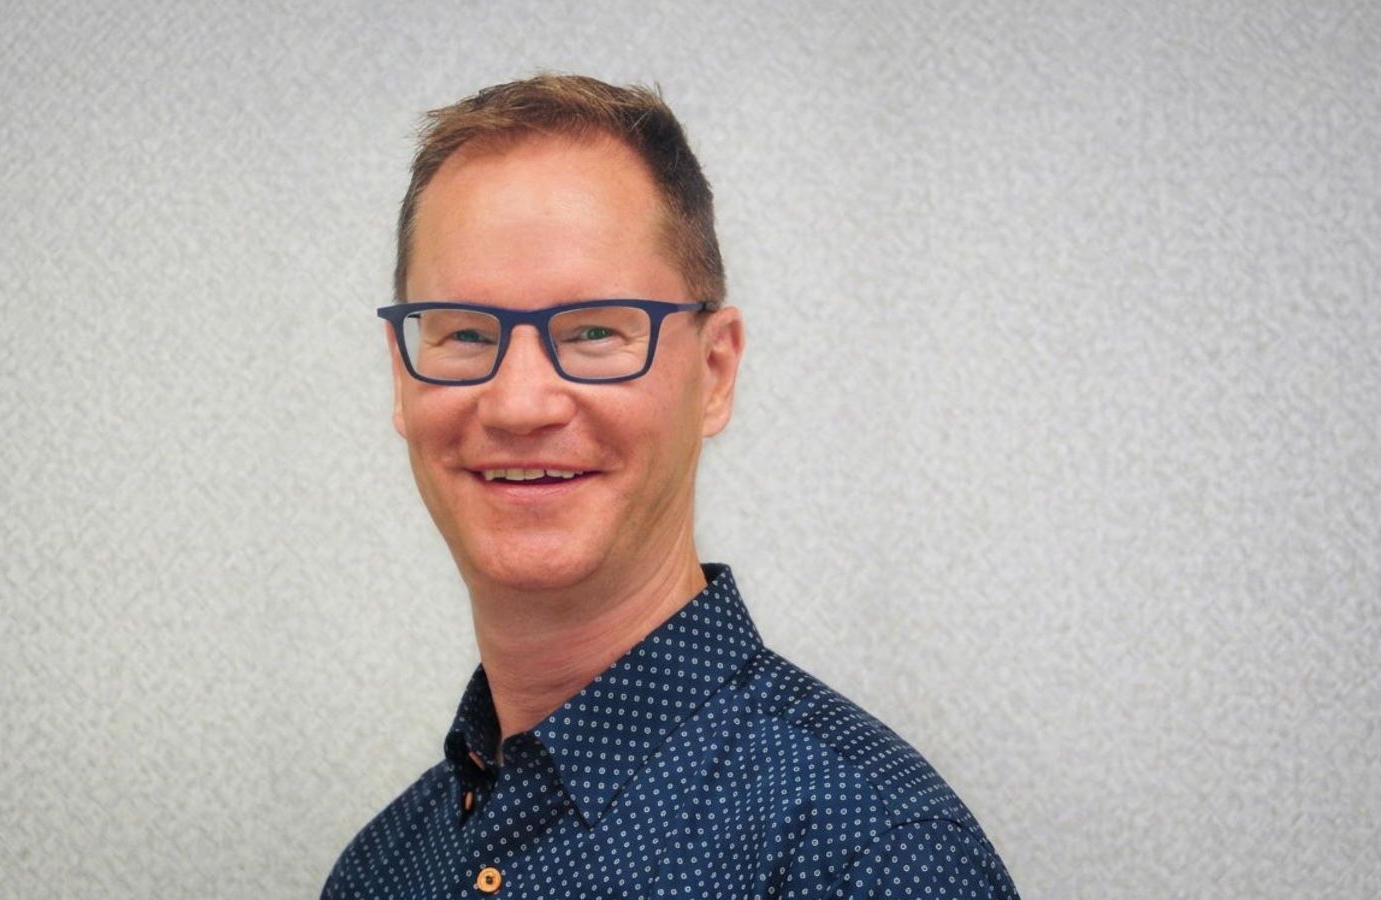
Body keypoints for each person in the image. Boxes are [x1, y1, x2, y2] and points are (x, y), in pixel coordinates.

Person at [324, 74, 1018, 899]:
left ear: (715, 372)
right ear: (402, 381)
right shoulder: (379, 870)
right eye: (465, 334)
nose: (518, 404)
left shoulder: (871, 855)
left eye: (592, 332)